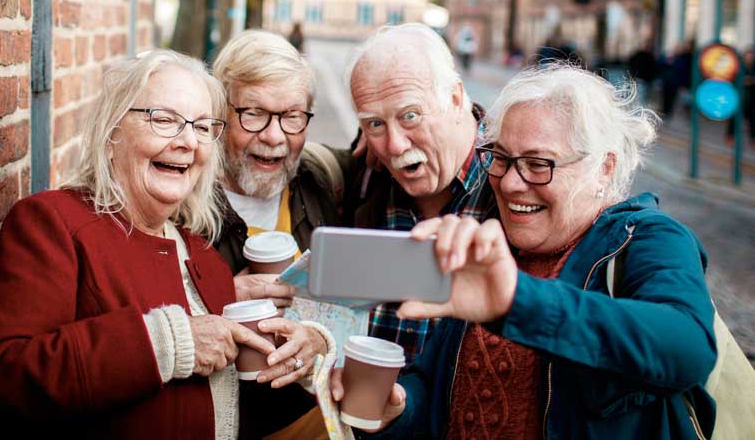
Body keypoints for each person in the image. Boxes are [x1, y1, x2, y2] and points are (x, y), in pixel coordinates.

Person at [336, 64, 717, 439]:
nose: (512, 184)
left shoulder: (648, 238)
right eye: (501, 159)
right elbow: (435, 383)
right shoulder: (495, 242)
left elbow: (687, 347)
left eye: (538, 164)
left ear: (604, 168)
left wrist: (516, 301)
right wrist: (399, 407)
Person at [0, 50, 277, 439]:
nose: (187, 142)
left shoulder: (207, 260)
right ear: (113, 134)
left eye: (201, 127)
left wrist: (299, 351)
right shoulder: (53, 224)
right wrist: (168, 342)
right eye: (164, 120)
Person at [212, 29, 353, 437]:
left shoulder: (325, 179)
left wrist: (322, 343)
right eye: (253, 113)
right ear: (221, 112)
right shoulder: (179, 198)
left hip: (313, 421)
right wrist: (218, 296)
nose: (274, 136)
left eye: (292, 116)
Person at [345, 23, 498, 363]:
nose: (395, 144)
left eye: (410, 116)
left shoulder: (513, 185)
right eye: (375, 124)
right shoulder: (362, 180)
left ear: (456, 98)